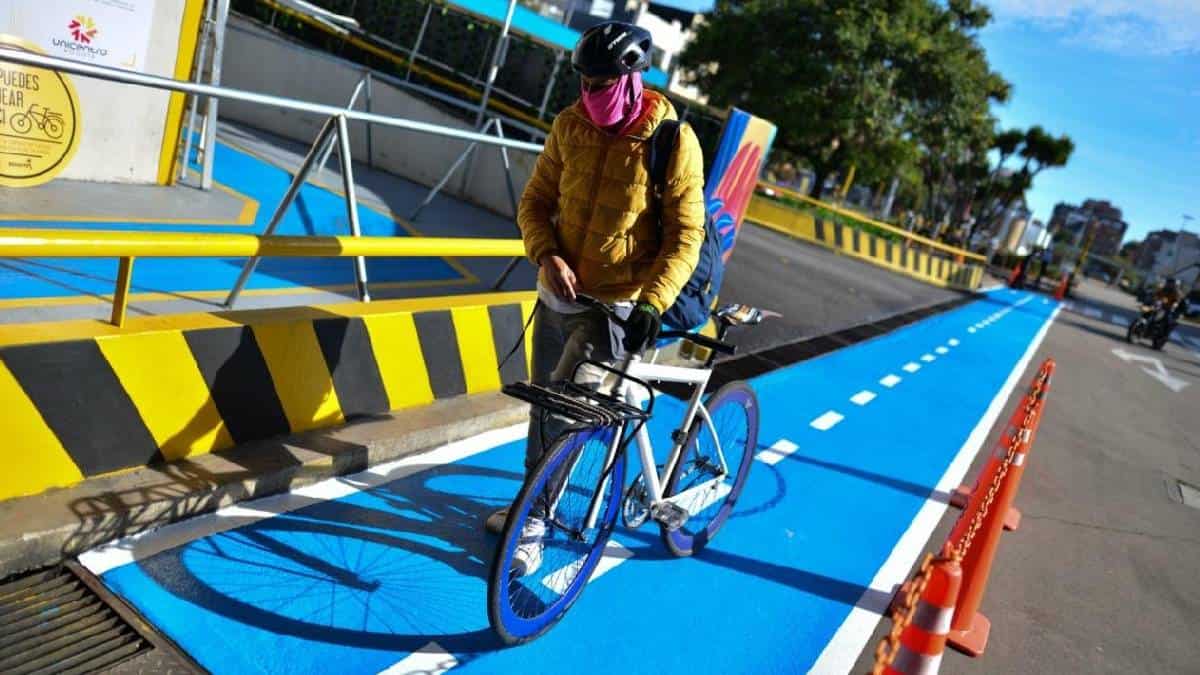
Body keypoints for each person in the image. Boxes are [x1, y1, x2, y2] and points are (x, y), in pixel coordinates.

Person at [485, 21, 707, 577]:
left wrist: (653, 302)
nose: (591, 94)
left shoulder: (673, 142)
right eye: (585, 82)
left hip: (614, 308)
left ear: (633, 80)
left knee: (565, 415)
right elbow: (534, 202)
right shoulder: (569, 125)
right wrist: (545, 256)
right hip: (555, 297)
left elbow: (686, 235)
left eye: (603, 84)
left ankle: (533, 521)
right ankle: (532, 500)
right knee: (544, 407)